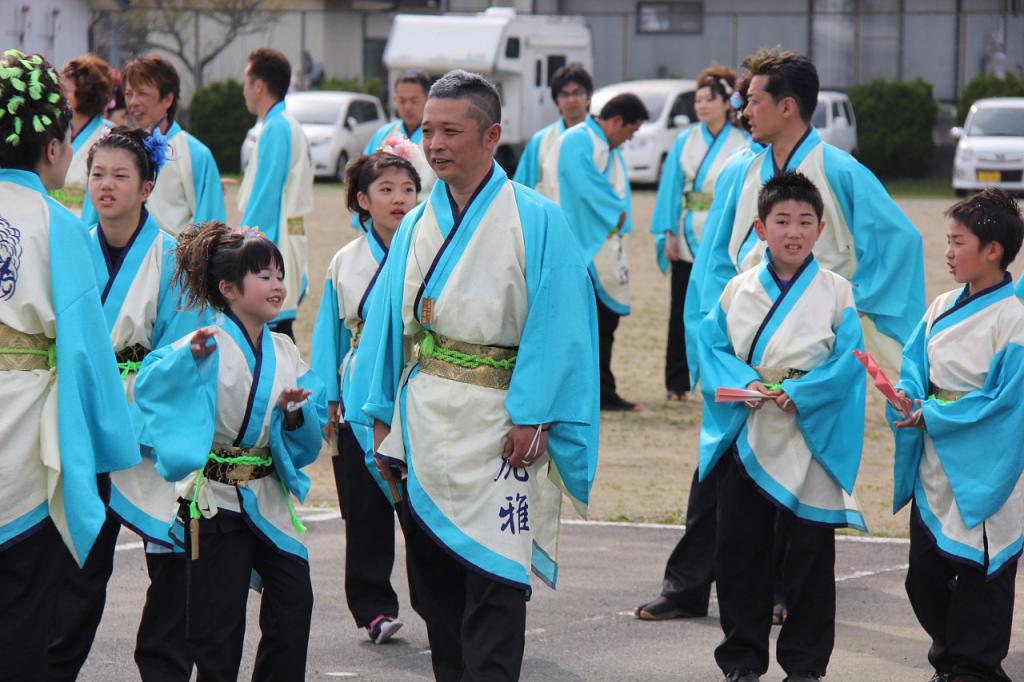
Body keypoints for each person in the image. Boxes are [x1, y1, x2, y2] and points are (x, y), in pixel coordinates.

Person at [346, 69, 600, 682]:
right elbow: (386, 328)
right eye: (428, 130)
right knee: (434, 587)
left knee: (494, 579)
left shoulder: (537, 220)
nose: (433, 143)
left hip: (499, 423)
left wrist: (535, 413)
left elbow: (561, 324)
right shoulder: (415, 223)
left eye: (449, 131)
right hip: (424, 418)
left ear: (491, 135)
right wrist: (381, 416)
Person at [132, 221, 328, 681]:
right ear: (228, 288)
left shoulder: (283, 349)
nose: (277, 285)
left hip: (268, 497)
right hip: (215, 502)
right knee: (218, 627)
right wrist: (186, 360)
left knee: (294, 600)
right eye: (263, 275)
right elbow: (152, 382)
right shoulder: (204, 343)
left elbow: (304, 436)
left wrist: (294, 414)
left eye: (279, 274)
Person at [0, 49, 139, 679]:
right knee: (23, 615)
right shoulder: (57, 227)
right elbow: (85, 355)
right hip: (24, 446)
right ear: (55, 147)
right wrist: (111, 446)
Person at [47, 126, 204, 681]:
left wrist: (136, 418)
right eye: (96, 174)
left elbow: (183, 355)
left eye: (120, 175)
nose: (105, 186)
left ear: (148, 186)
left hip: (148, 435)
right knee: (76, 566)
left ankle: (162, 669)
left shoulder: (175, 259)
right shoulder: (67, 248)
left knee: (170, 562)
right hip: (83, 423)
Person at [699, 172, 866, 682]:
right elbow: (712, 349)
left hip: (807, 435)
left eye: (805, 221)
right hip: (748, 428)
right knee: (739, 554)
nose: (793, 231)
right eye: (782, 221)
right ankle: (742, 660)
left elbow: (850, 359)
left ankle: (806, 665)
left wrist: (803, 394)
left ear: (821, 229)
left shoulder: (838, 292)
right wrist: (746, 385)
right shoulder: (738, 289)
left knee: (810, 558)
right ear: (760, 227)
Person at [634, 75, 772, 624]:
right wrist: (708, 333)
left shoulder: (829, 170)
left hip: (793, 342)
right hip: (732, 329)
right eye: (741, 100)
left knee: (783, 477)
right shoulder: (735, 162)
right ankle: (689, 584)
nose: (742, 110)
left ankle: (782, 590)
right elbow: (714, 258)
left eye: (749, 101)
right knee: (714, 465)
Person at [702, 48, 924, 375]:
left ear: (787, 107)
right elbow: (720, 254)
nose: (745, 112)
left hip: (820, 325)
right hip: (753, 316)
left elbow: (900, 241)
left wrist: (854, 301)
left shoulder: (839, 169)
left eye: (754, 101)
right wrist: (722, 310)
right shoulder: (745, 171)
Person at [891, 189, 1024, 682]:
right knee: (922, 577)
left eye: (957, 242)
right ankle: (952, 661)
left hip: (982, 465)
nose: (948, 253)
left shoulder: (1014, 318)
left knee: (980, 579)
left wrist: (934, 416)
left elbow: (1004, 404)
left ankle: (973, 667)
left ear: (993, 249)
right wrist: (906, 393)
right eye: (947, 242)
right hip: (936, 462)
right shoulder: (943, 304)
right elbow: (913, 361)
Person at [311, 145, 420, 644]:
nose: (399, 199)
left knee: (420, 507)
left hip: (413, 390)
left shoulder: (429, 251)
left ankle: (439, 603)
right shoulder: (344, 262)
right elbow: (329, 335)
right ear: (361, 200)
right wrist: (329, 397)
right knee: (364, 510)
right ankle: (373, 607)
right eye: (386, 190)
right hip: (356, 397)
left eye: (408, 189)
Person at [542, 92, 648, 410]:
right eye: (631, 130)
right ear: (616, 121)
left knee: (604, 322)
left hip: (600, 242)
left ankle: (601, 389)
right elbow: (584, 185)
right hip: (580, 244)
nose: (630, 138)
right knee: (587, 323)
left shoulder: (602, 144)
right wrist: (617, 211)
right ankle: (588, 392)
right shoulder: (578, 140)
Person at [650, 65, 750, 400]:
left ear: (726, 103)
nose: (702, 106)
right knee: (681, 307)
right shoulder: (685, 140)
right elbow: (671, 189)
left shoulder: (743, 142)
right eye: (698, 100)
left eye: (709, 99)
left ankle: (723, 377)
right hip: (688, 229)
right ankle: (677, 381)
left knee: (727, 309)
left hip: (724, 232)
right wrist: (667, 232)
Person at [84, 54, 226, 236]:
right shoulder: (117, 147)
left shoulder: (195, 153)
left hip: (175, 259)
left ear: (168, 99)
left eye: (142, 93)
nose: (133, 102)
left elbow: (211, 226)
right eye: (129, 94)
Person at [238, 48, 315, 340]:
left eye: (246, 83)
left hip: (276, 239)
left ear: (259, 86)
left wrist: (248, 246)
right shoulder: (281, 124)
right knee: (279, 328)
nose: (244, 91)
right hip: (286, 235)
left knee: (274, 331)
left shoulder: (277, 128)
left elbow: (266, 195)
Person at [351, 69, 434, 232]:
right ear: (395, 99)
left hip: (423, 219)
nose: (407, 107)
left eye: (414, 100)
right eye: (402, 100)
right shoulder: (384, 134)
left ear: (427, 99)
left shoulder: (435, 137)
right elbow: (364, 176)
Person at [512, 62, 593, 190]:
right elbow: (522, 188)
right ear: (556, 101)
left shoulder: (603, 137)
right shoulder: (540, 141)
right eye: (564, 94)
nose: (571, 99)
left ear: (589, 97)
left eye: (577, 93)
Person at [55, 54, 113, 216]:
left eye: (66, 90)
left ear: (85, 93)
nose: (59, 95)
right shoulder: (56, 131)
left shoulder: (109, 135)